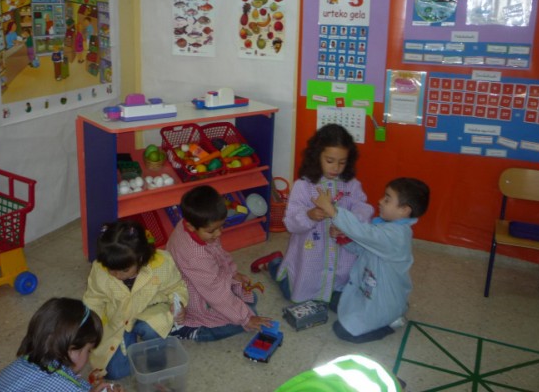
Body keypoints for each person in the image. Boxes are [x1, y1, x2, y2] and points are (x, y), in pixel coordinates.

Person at [251, 123, 374, 305]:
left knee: (342, 297)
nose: (336, 168)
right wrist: (309, 215)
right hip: (310, 256)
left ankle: (333, 288)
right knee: (295, 296)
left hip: (341, 257)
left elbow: (364, 208)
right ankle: (274, 263)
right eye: (330, 161)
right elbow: (290, 222)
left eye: (342, 162)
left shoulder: (352, 185)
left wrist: (349, 223)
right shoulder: (303, 186)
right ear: (317, 157)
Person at [312, 177, 430, 344]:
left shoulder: (397, 236)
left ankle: (391, 322)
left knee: (343, 331)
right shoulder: (386, 227)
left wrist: (332, 211)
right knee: (331, 299)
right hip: (368, 291)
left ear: (404, 210)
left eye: (387, 199)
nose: (380, 201)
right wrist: (343, 238)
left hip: (384, 302)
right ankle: (380, 312)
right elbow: (364, 249)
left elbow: (363, 233)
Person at [83, 220, 188, 381]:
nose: (118, 275)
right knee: (115, 372)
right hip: (118, 318)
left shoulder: (161, 264)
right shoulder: (99, 269)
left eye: (124, 270)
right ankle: (130, 339)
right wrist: (91, 325)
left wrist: (179, 303)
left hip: (151, 310)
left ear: (140, 258)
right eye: (111, 270)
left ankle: (154, 355)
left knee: (150, 329)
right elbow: (93, 299)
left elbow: (176, 287)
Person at [166, 185, 272, 341]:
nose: (219, 233)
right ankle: (189, 330)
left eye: (221, 226)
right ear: (190, 226)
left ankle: (237, 311)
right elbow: (215, 292)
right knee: (241, 321)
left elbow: (218, 252)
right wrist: (246, 318)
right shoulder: (195, 256)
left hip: (206, 278)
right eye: (212, 231)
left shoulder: (193, 222)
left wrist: (233, 273)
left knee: (250, 299)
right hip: (193, 292)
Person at [0, 297, 115, 392]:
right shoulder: (67, 388)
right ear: (71, 350)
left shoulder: (21, 364)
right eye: (89, 350)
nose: (88, 356)